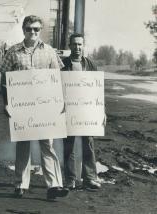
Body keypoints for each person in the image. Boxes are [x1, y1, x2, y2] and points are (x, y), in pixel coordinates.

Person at [0, 15, 69, 200]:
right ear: (23, 29)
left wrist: (61, 102)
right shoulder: (13, 52)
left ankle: (54, 185)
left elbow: (57, 78)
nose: (33, 32)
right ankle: (20, 184)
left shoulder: (49, 52)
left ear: (40, 31)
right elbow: (4, 79)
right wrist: (6, 102)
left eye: (36, 29)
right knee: (23, 144)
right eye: (29, 28)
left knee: (47, 144)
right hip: (22, 106)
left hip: (45, 106)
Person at [62, 33, 102, 190]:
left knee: (88, 144)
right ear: (69, 45)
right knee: (69, 145)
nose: (77, 47)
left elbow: (97, 91)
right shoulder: (63, 64)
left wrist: (101, 111)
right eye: (74, 44)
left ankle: (89, 178)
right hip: (69, 111)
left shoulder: (90, 65)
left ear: (83, 46)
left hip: (87, 111)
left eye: (80, 44)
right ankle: (70, 179)